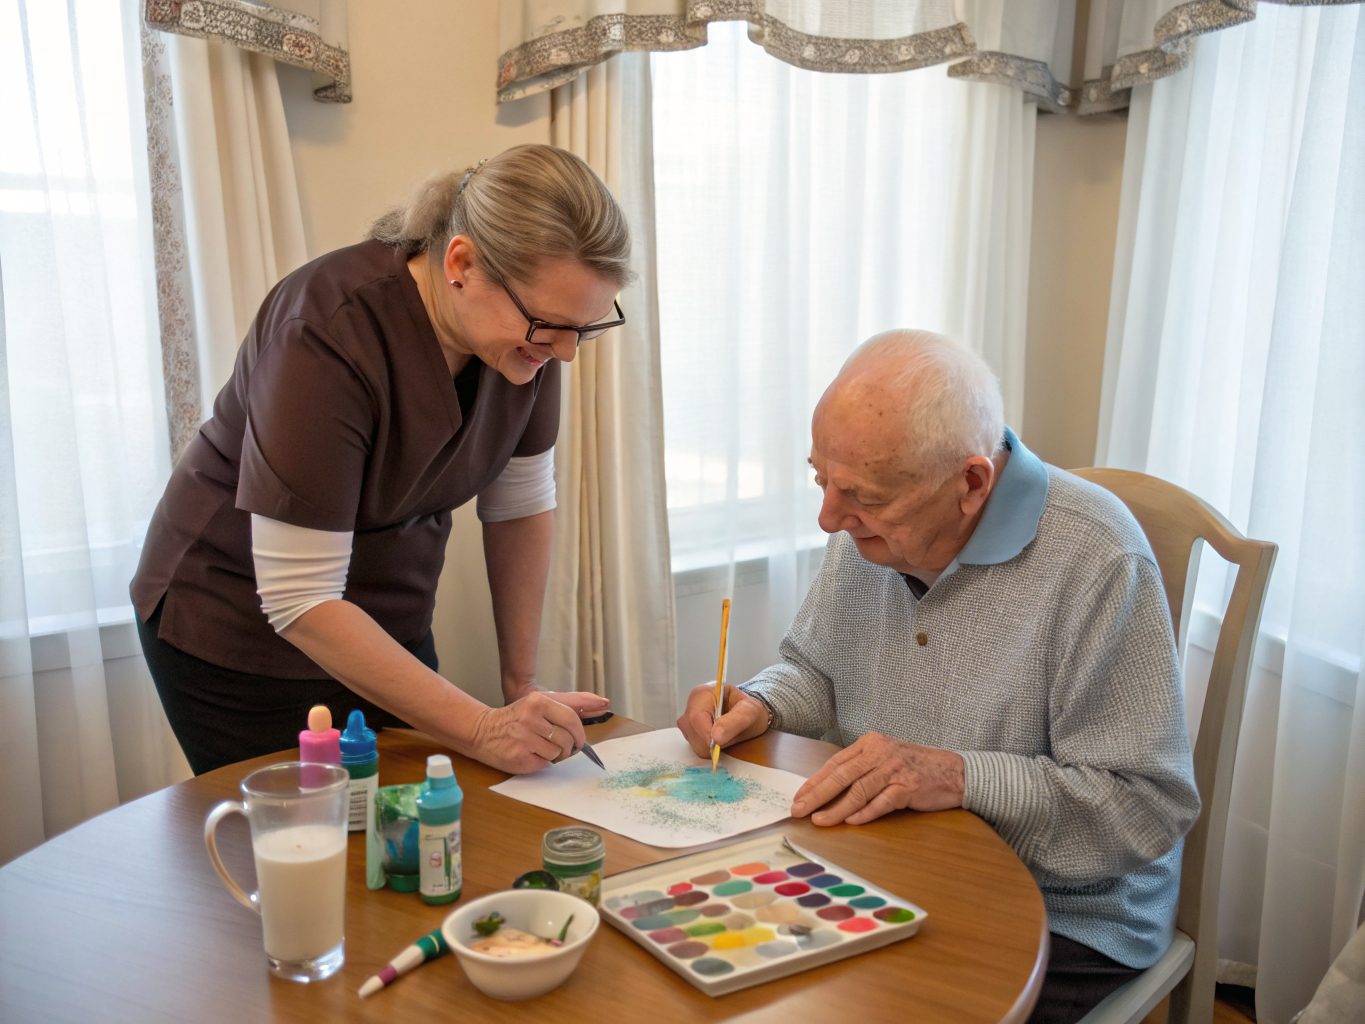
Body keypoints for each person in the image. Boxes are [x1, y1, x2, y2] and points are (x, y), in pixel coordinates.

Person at [679, 330, 1201, 1024]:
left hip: (1065, 912)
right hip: (895, 864)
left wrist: (955, 777)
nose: (828, 518)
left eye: (857, 496)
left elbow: (1144, 807)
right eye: (820, 480)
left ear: (971, 483)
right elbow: (816, 671)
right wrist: (762, 703)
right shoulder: (870, 525)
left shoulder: (1097, 560)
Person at [132, 145, 626, 776]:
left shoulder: (531, 338)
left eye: (583, 328)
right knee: (309, 848)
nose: (565, 353)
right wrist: (480, 727)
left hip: (387, 622)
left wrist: (519, 684)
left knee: (417, 838)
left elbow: (519, 502)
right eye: (549, 326)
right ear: (463, 263)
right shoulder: (326, 330)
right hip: (238, 629)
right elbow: (299, 596)